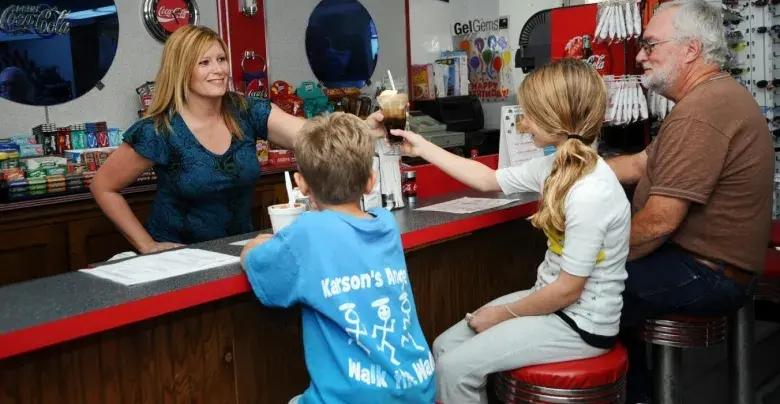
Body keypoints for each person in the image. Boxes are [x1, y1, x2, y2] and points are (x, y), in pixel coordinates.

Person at [393, 58, 631, 404]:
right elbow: (488, 180)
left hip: (580, 325)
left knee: (455, 369)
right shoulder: (557, 165)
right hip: (553, 306)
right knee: (444, 347)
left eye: (530, 114)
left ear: (557, 118)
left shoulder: (590, 190)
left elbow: (567, 291)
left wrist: (501, 314)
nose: (523, 124)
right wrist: (422, 147)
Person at [607, 0, 773, 402]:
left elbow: (660, 222)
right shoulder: (711, 98)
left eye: (650, 45)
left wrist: (590, 252)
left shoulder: (700, 112)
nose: (641, 56)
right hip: (712, 265)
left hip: (708, 273)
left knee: (585, 292)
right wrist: (570, 170)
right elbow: (641, 163)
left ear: (690, 50)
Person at [91, 25, 383, 253]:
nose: (218, 70)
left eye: (220, 59)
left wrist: (363, 128)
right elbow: (103, 186)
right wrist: (147, 245)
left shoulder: (245, 110)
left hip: (239, 251)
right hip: (181, 256)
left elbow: (310, 133)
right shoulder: (160, 130)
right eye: (204, 63)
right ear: (181, 71)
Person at [240, 112, 435, 404]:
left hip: (355, 397)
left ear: (301, 184)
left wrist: (251, 247)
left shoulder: (307, 231)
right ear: (371, 182)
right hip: (420, 386)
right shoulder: (385, 225)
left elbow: (266, 279)